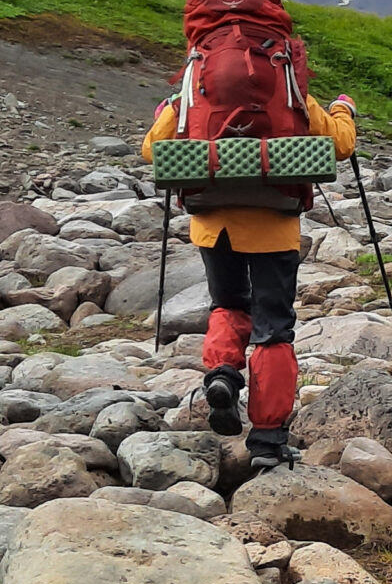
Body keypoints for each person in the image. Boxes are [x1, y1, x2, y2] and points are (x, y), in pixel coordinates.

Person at [141, 65, 357, 474]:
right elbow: (341, 146)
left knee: (227, 304)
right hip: (274, 225)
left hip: (213, 224)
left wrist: (167, 114)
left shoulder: (192, 95)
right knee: (274, 329)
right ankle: (268, 439)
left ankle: (223, 374)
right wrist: (343, 109)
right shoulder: (289, 94)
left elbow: (152, 151)